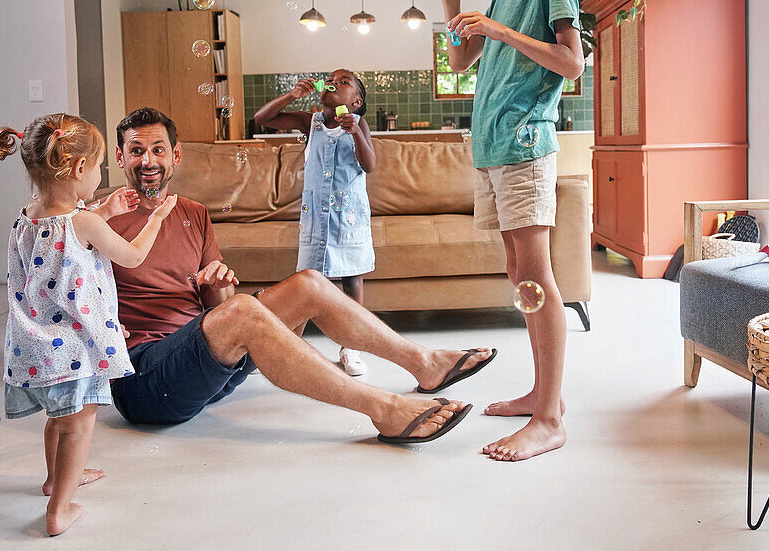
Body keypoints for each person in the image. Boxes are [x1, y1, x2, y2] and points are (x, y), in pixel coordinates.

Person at [104, 107, 497, 445]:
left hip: (205, 372)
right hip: (147, 383)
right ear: (120, 158)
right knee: (243, 311)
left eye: (158, 150)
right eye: (136, 151)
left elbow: (214, 313)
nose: (148, 161)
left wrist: (218, 284)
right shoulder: (97, 219)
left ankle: (424, 362)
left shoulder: (192, 212)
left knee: (308, 282)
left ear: (175, 155)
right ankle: (385, 409)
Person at [434, 0, 584, 461]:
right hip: (493, 148)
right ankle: (542, 394)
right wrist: (453, 2)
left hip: (523, 143)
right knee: (519, 275)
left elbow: (571, 64)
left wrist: (497, 27)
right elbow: (463, 59)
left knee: (536, 277)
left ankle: (549, 417)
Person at [0, 113, 177, 536]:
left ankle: (55, 479)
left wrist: (103, 209)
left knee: (59, 418)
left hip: (35, 347)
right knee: (79, 424)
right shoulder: (82, 222)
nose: (103, 174)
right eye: (101, 166)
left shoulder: (26, 218)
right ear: (78, 170)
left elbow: (64, 251)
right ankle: (60, 508)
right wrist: (155, 220)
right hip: (75, 350)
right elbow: (131, 256)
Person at [253, 68, 374, 377]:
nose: (333, 82)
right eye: (331, 79)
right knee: (307, 283)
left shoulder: (360, 124)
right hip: (316, 219)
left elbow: (369, 165)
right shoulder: (311, 122)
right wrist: (293, 95)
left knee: (352, 281)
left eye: (344, 81)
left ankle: (351, 347)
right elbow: (262, 118)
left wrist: (356, 132)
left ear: (356, 101)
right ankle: (290, 346)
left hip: (349, 218)